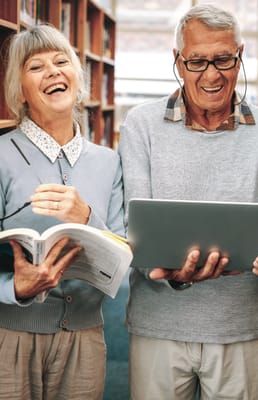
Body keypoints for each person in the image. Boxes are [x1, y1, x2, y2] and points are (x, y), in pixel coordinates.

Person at [118, 4, 258, 399]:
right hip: (159, 323)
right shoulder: (140, 126)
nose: (212, 74)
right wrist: (170, 270)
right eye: (197, 61)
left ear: (241, 55)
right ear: (177, 62)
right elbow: (130, 225)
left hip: (241, 324)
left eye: (223, 59)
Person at [0, 25, 124, 399]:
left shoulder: (109, 162)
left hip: (85, 338)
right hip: (11, 337)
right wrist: (13, 289)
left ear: (77, 77)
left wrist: (86, 217)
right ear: (20, 91)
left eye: (61, 61)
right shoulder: (2, 155)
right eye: (36, 67)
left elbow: (123, 253)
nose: (53, 71)